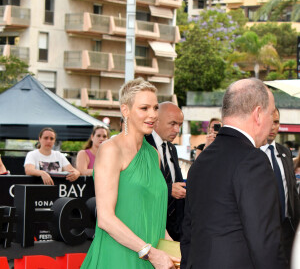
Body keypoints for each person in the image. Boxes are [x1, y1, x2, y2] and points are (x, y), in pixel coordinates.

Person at [181, 78, 286, 269]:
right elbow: (265, 243)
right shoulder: (253, 161)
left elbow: (188, 234)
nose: (272, 123)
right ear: (258, 114)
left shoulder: (201, 161)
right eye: (271, 114)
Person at [81, 78, 179, 268]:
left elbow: (154, 216)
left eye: (155, 108)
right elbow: (106, 219)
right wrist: (151, 254)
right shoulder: (110, 150)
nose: (153, 115)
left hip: (151, 256)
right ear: (125, 110)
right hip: (119, 255)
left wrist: (175, 252)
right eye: (144, 108)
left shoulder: (153, 155)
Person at [260, 107, 300, 264]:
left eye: (276, 122)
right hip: (263, 230)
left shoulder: (285, 152)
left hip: (287, 229)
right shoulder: (251, 154)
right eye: (269, 122)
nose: (272, 127)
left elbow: (292, 192)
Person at [145, 102, 185, 241]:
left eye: (179, 125)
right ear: (156, 121)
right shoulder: (141, 145)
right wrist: (168, 189)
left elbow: (176, 182)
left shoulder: (171, 148)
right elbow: (139, 185)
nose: (177, 129)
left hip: (175, 229)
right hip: (149, 226)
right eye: (172, 124)